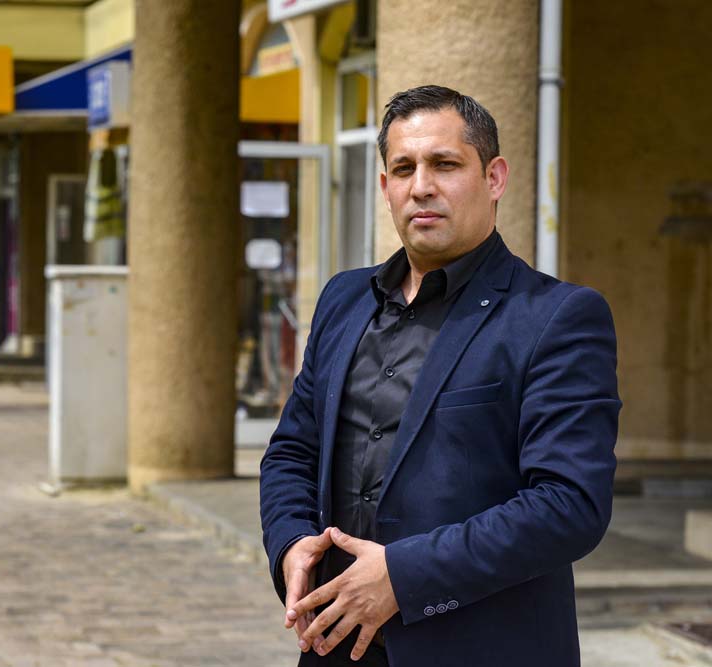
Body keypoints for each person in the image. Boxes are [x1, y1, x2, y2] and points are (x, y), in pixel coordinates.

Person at [259, 85, 621, 667]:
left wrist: (403, 577)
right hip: (335, 647)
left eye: (445, 164)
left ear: (494, 178)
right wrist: (291, 541)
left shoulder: (556, 317)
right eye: (404, 169)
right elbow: (292, 451)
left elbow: (569, 505)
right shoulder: (343, 299)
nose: (421, 186)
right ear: (386, 187)